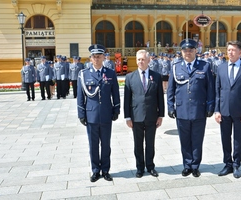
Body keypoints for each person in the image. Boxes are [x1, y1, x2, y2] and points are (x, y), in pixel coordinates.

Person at [167, 38, 215, 178]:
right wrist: (170, 106)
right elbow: (171, 89)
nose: (188, 53)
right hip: (181, 110)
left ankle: (195, 166)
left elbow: (210, 88)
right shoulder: (176, 67)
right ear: (181, 52)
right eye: (185, 50)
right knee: (184, 139)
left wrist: (210, 105)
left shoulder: (204, 66)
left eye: (191, 50)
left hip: (199, 110)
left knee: (197, 139)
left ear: (196, 51)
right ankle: (187, 165)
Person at [77, 44, 120, 182]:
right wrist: (81, 114)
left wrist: (116, 109)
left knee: (106, 145)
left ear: (103, 57)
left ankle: (106, 170)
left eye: (99, 56)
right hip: (91, 116)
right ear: (90, 58)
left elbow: (115, 94)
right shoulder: (84, 74)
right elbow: (80, 96)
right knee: (93, 145)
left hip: (106, 114)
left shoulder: (110, 73)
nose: (96, 59)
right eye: (94, 57)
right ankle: (95, 170)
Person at [214, 40, 241, 179]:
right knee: (225, 138)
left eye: (233, 50)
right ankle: (228, 164)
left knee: (238, 139)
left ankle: (237, 164)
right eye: (228, 50)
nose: (230, 52)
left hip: (240, 112)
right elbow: (217, 91)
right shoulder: (221, 68)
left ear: (240, 52)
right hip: (224, 111)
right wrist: (216, 110)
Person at [124, 49, 164, 178]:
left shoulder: (156, 76)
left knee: (150, 143)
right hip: (136, 116)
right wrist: (127, 117)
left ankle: (150, 166)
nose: (141, 62)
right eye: (139, 59)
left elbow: (160, 98)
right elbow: (127, 99)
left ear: (148, 60)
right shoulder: (130, 77)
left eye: (143, 59)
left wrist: (161, 115)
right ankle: (140, 168)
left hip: (152, 116)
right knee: (138, 144)